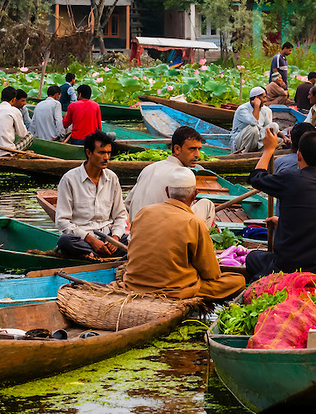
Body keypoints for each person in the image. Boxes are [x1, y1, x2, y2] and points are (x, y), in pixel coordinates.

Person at [245, 128, 316, 281]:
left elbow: (256, 178)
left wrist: (268, 150)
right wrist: (282, 223)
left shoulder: (287, 179)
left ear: (298, 155)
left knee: (252, 258)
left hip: (287, 264)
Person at [121, 167, 246, 300]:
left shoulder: (143, 212)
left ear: (167, 191)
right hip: (174, 291)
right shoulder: (195, 222)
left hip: (134, 285)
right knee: (239, 280)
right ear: (195, 195)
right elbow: (211, 274)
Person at [55, 131, 128, 259]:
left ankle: (93, 255)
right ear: (89, 153)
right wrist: (91, 240)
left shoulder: (112, 178)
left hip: (108, 238)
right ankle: (92, 252)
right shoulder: (69, 179)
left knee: (137, 239)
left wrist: (115, 239)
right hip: (83, 240)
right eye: (101, 153)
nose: (106, 157)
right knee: (65, 241)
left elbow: (120, 216)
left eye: (108, 153)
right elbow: (62, 221)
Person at [125, 126, 216, 227]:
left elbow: (127, 204)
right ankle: (197, 241)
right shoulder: (183, 174)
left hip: (136, 235)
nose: (197, 155)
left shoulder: (149, 168)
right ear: (177, 149)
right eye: (192, 149)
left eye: (199, 149)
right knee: (207, 205)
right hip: (164, 235)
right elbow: (186, 213)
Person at [0, 86, 31, 157]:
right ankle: (15, 153)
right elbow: (23, 134)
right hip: (6, 152)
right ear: (14, 100)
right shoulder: (14, 111)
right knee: (29, 136)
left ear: (1, 99)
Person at [231, 87, 281, 153]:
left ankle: (259, 152)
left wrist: (285, 137)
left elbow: (269, 126)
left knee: (274, 126)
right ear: (257, 98)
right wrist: (256, 106)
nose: (266, 100)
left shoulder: (262, 110)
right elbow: (254, 122)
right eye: (264, 97)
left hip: (255, 142)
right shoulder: (242, 109)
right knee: (253, 128)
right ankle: (243, 153)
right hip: (240, 143)